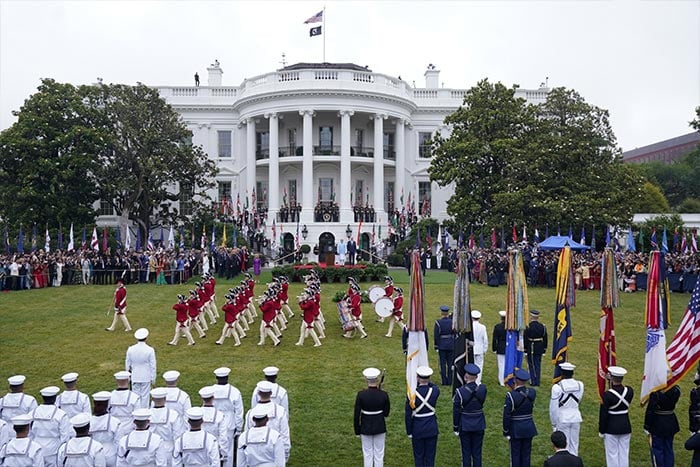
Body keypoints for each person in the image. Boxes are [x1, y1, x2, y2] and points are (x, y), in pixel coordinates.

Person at [244, 381, 290, 462]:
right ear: (271, 393)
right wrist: (285, 454)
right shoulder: (281, 411)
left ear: (258, 393)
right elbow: (285, 435)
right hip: (275, 452)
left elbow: (246, 436)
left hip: (255, 456)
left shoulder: (250, 413)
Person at [354, 367, 390, 467]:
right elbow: (386, 413)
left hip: (365, 427)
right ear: (377, 380)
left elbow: (356, 415)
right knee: (379, 454)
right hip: (379, 426)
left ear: (366, 380)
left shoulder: (361, 395)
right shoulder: (383, 394)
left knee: (367, 454)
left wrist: (357, 430)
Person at [453, 363, 487, 467]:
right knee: (477, 453)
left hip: (465, 424)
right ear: (476, 377)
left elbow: (456, 411)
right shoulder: (483, 389)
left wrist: (455, 427)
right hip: (479, 423)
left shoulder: (460, 392)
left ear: (465, 376)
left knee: (466, 453)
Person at [599, 366, 633, 467]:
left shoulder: (607, 395)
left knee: (612, 454)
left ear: (612, 378)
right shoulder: (630, 391)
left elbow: (603, 414)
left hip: (611, 427)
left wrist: (601, 430)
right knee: (624, 453)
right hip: (625, 425)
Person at [405, 366, 439, 467]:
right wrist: (427, 381)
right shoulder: (435, 391)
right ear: (429, 378)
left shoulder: (411, 395)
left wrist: (409, 431)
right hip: (431, 427)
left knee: (419, 456)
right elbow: (434, 386)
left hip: (417, 428)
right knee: (430, 457)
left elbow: (408, 415)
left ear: (417, 378)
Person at [503, 369, 537, 467]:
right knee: (526, 455)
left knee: (515, 455)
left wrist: (506, 431)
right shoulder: (532, 392)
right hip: (529, 426)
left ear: (515, 380)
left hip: (516, 428)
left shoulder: (511, 395)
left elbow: (507, 415)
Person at [31, 386, 72, 467]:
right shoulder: (61, 414)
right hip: (53, 450)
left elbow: (28, 430)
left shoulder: (34, 412)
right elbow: (65, 436)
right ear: (55, 398)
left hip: (36, 447)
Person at [549, 362, 583, 456]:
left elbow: (553, 408)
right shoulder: (580, 385)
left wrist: (554, 423)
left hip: (562, 418)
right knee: (574, 444)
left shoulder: (557, 387)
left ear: (561, 374)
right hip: (576, 417)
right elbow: (578, 400)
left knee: (563, 447)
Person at [212, 367, 244, 467]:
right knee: (229, 451)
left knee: (212, 448)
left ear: (217, 377)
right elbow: (239, 411)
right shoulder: (234, 391)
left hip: (214, 421)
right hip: (229, 423)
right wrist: (239, 428)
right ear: (227, 377)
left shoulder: (210, 390)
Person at [644, 384, 680, 467]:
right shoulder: (676, 390)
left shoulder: (656, 393)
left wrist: (647, 426)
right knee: (668, 449)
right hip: (670, 421)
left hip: (658, 423)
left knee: (657, 450)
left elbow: (651, 410)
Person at [125, 328, 157, 408]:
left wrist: (128, 376)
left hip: (135, 376)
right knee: (145, 398)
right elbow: (153, 365)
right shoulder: (150, 350)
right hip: (146, 376)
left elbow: (127, 364)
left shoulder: (131, 349)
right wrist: (153, 378)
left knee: (135, 397)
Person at [90, 391, 122, 467]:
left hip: (93, 455)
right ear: (107, 405)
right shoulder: (115, 422)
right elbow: (118, 442)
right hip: (111, 455)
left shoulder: (88, 421)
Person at [198, 386, 229, 464]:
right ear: (213, 398)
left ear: (202, 398)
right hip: (214, 449)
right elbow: (223, 436)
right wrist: (224, 453)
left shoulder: (196, 414)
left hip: (199, 449)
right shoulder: (220, 415)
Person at [524, 309, 547, 386]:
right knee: (538, 364)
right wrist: (544, 349)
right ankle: (537, 380)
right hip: (540, 347)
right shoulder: (542, 327)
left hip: (532, 347)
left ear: (531, 317)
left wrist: (525, 349)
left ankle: (533, 381)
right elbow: (545, 338)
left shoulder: (529, 326)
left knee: (532, 364)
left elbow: (526, 338)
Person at [433, 306, 454, 386]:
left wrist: (436, 346)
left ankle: (444, 381)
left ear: (441, 313)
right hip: (451, 345)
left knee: (442, 364)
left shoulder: (438, 322)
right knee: (450, 363)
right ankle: (450, 380)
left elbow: (436, 335)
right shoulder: (452, 322)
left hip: (442, 345)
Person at [470, 310, 488, 384]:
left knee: (472, 365)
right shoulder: (482, 327)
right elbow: (485, 339)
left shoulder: (470, 327)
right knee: (479, 365)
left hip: (471, 348)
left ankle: (472, 380)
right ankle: (478, 381)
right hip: (479, 349)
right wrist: (485, 349)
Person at [492, 310, 507, 386]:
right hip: (509, 347)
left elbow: (495, 339)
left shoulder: (497, 327)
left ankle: (501, 381)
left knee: (501, 365)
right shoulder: (510, 327)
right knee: (507, 364)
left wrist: (494, 348)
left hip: (500, 347)